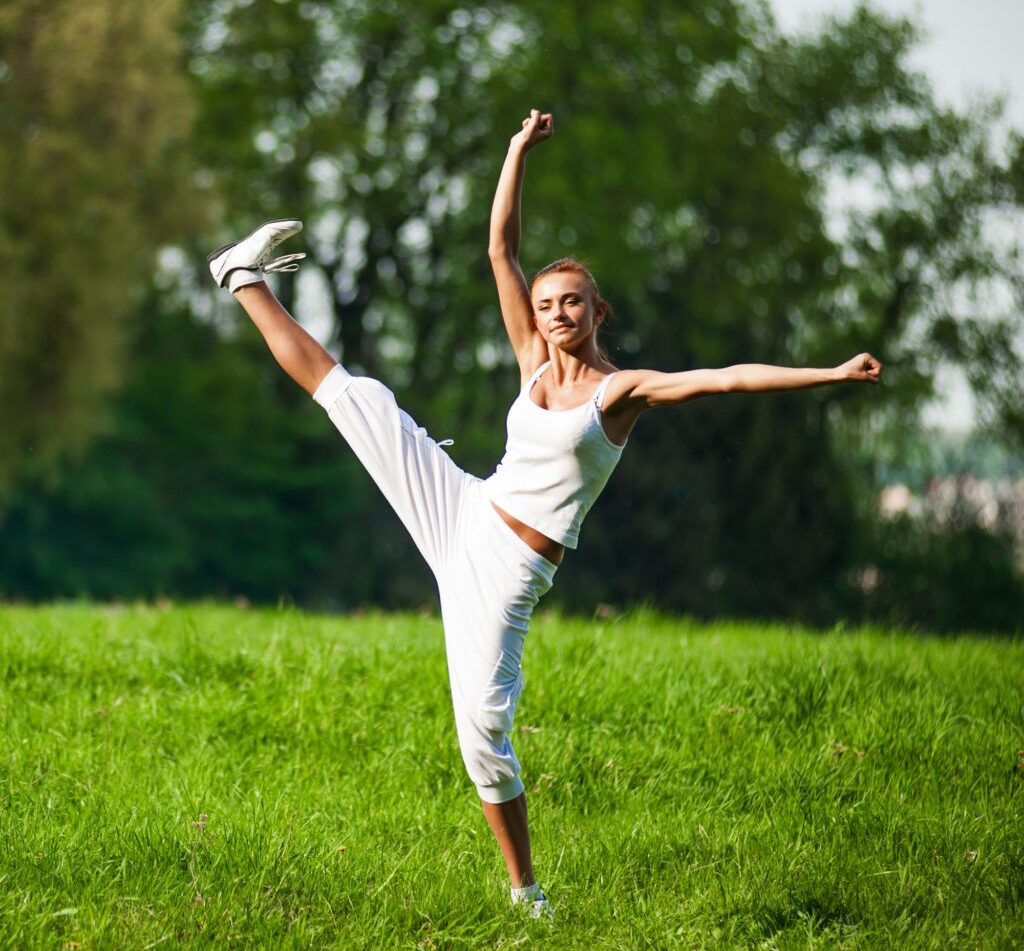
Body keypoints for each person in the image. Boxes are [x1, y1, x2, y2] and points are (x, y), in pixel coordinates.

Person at [207, 109, 883, 918]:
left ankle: (525, 893)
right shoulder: (531, 360)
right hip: (466, 508)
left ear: (599, 313)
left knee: (482, 736)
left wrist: (832, 375)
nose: (557, 312)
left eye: (573, 303)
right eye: (548, 302)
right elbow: (499, 247)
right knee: (358, 399)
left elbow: (724, 378)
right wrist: (516, 150)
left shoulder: (617, 392)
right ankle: (243, 277)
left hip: (509, 572)